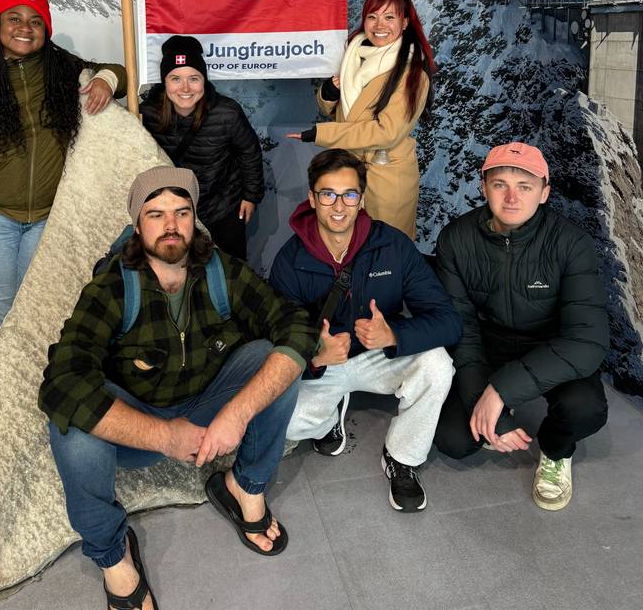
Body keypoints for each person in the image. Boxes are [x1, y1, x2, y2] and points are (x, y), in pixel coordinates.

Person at [39, 166, 318, 609]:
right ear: (137, 226)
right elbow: (63, 380)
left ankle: (244, 485)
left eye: (181, 212)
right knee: (69, 424)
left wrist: (238, 412)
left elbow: (294, 326)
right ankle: (114, 555)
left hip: (207, 405)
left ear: (193, 219)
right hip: (140, 424)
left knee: (278, 357)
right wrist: (164, 436)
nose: (170, 225)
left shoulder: (219, 269)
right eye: (156, 214)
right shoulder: (113, 285)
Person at [0, 0, 126, 377]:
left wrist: (106, 79)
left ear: (46, 31)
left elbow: (116, 70)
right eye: (14, 17)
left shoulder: (64, 71)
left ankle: (47, 386)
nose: (25, 27)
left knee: (49, 307)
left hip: (49, 217)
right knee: (7, 314)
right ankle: (6, 390)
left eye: (36, 21)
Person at [269, 148, 461, 513]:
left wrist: (394, 337)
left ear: (362, 198)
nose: (338, 205)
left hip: (379, 354)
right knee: (285, 422)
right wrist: (316, 355)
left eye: (349, 194)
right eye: (328, 194)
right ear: (312, 198)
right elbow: (275, 337)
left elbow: (448, 321)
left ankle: (402, 457)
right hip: (324, 364)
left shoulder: (393, 246)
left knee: (437, 365)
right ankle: (327, 420)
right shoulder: (290, 260)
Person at [433, 142, 609, 511]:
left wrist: (499, 391)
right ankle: (492, 419)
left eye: (525, 186)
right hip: (488, 345)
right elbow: (460, 327)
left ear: (544, 193)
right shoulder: (456, 238)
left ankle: (556, 450)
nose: (512, 197)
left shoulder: (571, 243)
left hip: (553, 346)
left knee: (586, 409)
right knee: (453, 440)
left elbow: (588, 340)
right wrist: (489, 403)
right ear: (484, 187)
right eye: (500, 185)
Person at [287, 0, 435, 240]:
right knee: (346, 247)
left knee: (385, 250)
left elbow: (386, 132)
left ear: (405, 23)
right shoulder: (354, 57)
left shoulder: (413, 75)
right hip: (348, 172)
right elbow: (340, 111)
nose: (379, 25)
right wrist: (330, 92)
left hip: (385, 178)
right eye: (372, 16)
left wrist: (319, 134)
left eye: (390, 17)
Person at [141, 35, 263, 259]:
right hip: (174, 211)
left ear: (204, 81)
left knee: (229, 272)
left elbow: (249, 153)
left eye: (194, 78)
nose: (185, 88)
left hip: (222, 207)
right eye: (175, 78)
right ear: (164, 81)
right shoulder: (147, 114)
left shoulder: (227, 112)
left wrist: (251, 196)